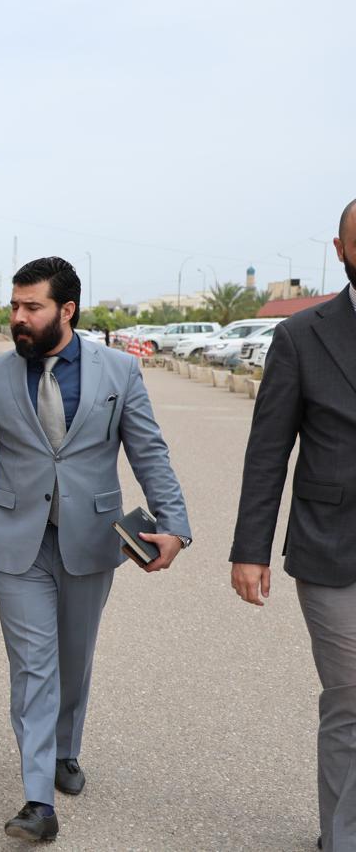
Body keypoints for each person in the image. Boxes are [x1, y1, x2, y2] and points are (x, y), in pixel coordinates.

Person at [0, 256, 190, 843]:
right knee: (34, 665)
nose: (18, 317)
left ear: (67, 310)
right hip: (17, 543)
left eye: (32, 307)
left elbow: (149, 452)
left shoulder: (119, 372)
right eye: (14, 306)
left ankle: (64, 750)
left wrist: (176, 525)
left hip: (92, 538)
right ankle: (37, 801)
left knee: (74, 658)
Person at [230, 199, 356, 852]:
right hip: (333, 548)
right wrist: (250, 549)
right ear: (340, 250)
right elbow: (268, 450)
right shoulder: (303, 336)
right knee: (352, 697)